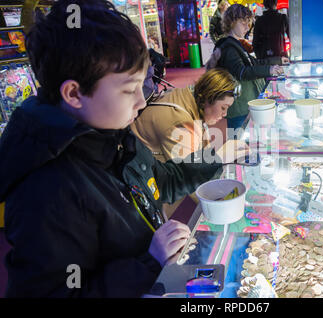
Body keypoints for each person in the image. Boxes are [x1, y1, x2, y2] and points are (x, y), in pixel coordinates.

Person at [0, 0, 247, 298]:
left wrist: (215, 157)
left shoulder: (113, 135)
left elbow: (161, 182)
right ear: (74, 93)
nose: (142, 102)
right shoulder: (46, 190)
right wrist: (148, 262)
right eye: (128, 90)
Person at [131, 68, 239, 218]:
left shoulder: (187, 97)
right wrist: (220, 203)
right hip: (145, 185)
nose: (225, 114)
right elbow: (190, 175)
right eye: (223, 107)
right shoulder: (181, 124)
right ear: (209, 97)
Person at [206, 4, 287, 131]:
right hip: (238, 106)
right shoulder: (228, 47)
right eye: (243, 22)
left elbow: (254, 62)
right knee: (239, 142)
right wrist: (269, 70)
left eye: (248, 23)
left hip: (244, 103)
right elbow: (242, 72)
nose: (247, 27)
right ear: (232, 22)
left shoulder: (234, 44)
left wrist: (277, 61)